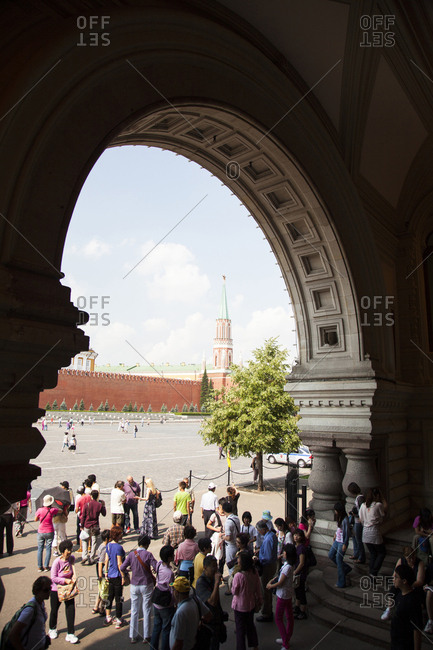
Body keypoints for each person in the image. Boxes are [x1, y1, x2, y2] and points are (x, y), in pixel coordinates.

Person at [120, 534, 157, 643]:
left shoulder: (132, 555)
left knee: (134, 610)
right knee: (147, 610)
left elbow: (122, 567)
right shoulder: (148, 555)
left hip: (134, 584)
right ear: (147, 544)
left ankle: (133, 635)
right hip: (146, 584)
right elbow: (156, 567)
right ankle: (146, 635)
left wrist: (128, 572)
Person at [6, 576, 52, 650]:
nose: (49, 592)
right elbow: (13, 635)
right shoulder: (30, 610)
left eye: (50, 589)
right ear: (37, 590)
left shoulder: (41, 603)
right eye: (46, 590)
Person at [381, 545, 426, 621]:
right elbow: (394, 575)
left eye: (413, 557)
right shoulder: (401, 560)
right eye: (409, 558)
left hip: (413, 586)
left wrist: (406, 585)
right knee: (393, 588)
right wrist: (399, 582)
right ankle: (389, 608)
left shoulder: (420, 563)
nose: (411, 560)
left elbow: (420, 581)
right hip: (403, 584)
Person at [266, 543, 297, 650]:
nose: (283, 553)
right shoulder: (289, 565)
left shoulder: (287, 568)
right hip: (287, 594)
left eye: (284, 552)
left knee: (279, 618)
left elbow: (280, 582)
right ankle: (286, 638)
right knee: (289, 616)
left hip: (283, 594)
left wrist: (270, 585)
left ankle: (285, 642)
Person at [49, 539, 78, 643]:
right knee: (54, 609)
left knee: (70, 609)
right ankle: (52, 628)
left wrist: (74, 577)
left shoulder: (72, 559)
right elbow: (53, 577)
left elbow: (73, 570)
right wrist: (65, 580)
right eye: (68, 550)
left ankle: (71, 633)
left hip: (69, 589)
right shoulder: (57, 562)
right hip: (56, 589)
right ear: (62, 551)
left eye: (70, 549)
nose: (70, 552)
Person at [169, 576, 211, 650]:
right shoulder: (195, 600)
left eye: (173, 589)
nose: (172, 591)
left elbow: (179, 642)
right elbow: (208, 615)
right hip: (193, 644)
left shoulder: (181, 613)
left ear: (177, 593)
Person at [231, 551, 262, 650]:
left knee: (240, 630)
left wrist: (231, 582)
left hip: (240, 606)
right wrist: (260, 599)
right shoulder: (254, 571)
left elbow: (234, 591)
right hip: (251, 604)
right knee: (250, 626)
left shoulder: (238, 576)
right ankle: (255, 645)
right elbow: (258, 587)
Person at [196, 554, 226, 650]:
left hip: (216, 621)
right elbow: (212, 602)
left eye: (216, 565)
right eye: (213, 566)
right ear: (205, 568)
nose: (216, 569)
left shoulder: (212, 579)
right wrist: (217, 583)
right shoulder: (201, 582)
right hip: (208, 623)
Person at [390, 564, 422, 650]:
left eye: (396, 577)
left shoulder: (412, 601)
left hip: (405, 644)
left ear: (404, 581)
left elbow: (417, 629)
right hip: (396, 641)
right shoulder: (399, 594)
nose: (394, 579)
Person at [149, 545, 176, 650]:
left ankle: (153, 647)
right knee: (166, 629)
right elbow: (171, 590)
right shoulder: (169, 573)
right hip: (166, 603)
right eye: (172, 555)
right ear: (169, 558)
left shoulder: (159, 565)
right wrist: (174, 603)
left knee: (156, 627)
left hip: (156, 600)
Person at [359, 487, 387, 577]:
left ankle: (371, 571)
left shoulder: (363, 505)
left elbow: (361, 519)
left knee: (373, 553)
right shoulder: (378, 505)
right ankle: (373, 572)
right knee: (382, 552)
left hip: (365, 532)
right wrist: (382, 498)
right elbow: (384, 511)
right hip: (374, 532)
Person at [255, 518, 278, 622]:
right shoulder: (272, 536)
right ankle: (268, 611)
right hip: (272, 565)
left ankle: (266, 612)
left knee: (265, 590)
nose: (259, 533)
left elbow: (267, 557)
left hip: (267, 566)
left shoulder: (268, 539)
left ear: (263, 529)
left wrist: (258, 558)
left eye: (259, 530)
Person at [104, 525, 126, 628]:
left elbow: (106, 559)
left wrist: (105, 571)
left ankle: (108, 616)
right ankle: (118, 618)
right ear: (118, 535)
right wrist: (123, 576)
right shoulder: (119, 547)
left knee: (110, 596)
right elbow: (119, 563)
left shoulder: (108, 545)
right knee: (119, 598)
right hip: (117, 575)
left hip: (110, 574)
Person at [328, 501, 352, 588]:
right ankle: (345, 568)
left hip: (342, 542)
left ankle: (341, 582)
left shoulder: (345, 520)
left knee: (339, 559)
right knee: (331, 555)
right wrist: (335, 534)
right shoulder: (340, 518)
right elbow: (339, 528)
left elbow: (346, 532)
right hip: (337, 540)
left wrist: (345, 543)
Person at [80, 489, 106, 565]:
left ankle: (84, 556)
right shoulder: (99, 505)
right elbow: (104, 514)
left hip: (87, 524)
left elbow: (83, 516)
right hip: (95, 524)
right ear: (97, 496)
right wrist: (103, 506)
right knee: (94, 541)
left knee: (85, 540)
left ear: (91, 496)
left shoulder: (86, 504)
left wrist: (81, 525)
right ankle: (91, 557)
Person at [35, 495, 60, 572]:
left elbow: (36, 519)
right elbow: (59, 510)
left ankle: (39, 566)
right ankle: (46, 566)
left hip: (41, 531)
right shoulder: (52, 510)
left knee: (40, 549)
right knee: (48, 548)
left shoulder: (40, 510)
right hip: (49, 531)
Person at [92, 529, 110, 616]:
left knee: (101, 589)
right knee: (105, 590)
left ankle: (96, 606)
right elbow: (100, 562)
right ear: (107, 539)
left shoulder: (101, 546)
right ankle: (102, 609)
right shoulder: (104, 548)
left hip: (100, 570)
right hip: (102, 570)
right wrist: (100, 575)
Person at [52, 481, 72, 557]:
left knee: (55, 535)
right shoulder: (64, 500)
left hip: (55, 519)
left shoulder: (54, 503)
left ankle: (55, 551)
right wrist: (66, 515)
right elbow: (66, 511)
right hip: (62, 519)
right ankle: (64, 550)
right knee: (63, 535)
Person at [347, 482, 366, 564]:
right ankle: (356, 554)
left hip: (358, 521)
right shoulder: (360, 497)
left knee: (358, 540)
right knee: (355, 538)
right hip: (356, 521)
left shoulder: (360, 498)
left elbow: (362, 512)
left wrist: (355, 514)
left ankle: (361, 557)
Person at [207, 498, 226, 571]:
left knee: (223, 557)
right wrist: (216, 529)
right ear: (220, 506)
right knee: (215, 554)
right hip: (217, 538)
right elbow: (208, 525)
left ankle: (220, 573)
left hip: (224, 538)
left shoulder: (227, 515)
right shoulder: (214, 515)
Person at [293, 528, 308, 619]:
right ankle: (297, 607)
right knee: (297, 591)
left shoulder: (301, 548)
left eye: (298, 535)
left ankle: (303, 611)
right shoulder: (297, 546)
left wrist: (295, 571)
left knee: (301, 591)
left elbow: (302, 563)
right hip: (298, 573)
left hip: (301, 573)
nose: (296, 537)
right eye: (295, 535)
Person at [222, 502, 240, 576]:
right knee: (236, 564)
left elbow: (229, 537)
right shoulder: (236, 518)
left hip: (231, 545)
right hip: (237, 543)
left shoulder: (228, 522)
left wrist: (223, 537)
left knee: (231, 565)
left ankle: (233, 580)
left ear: (224, 510)